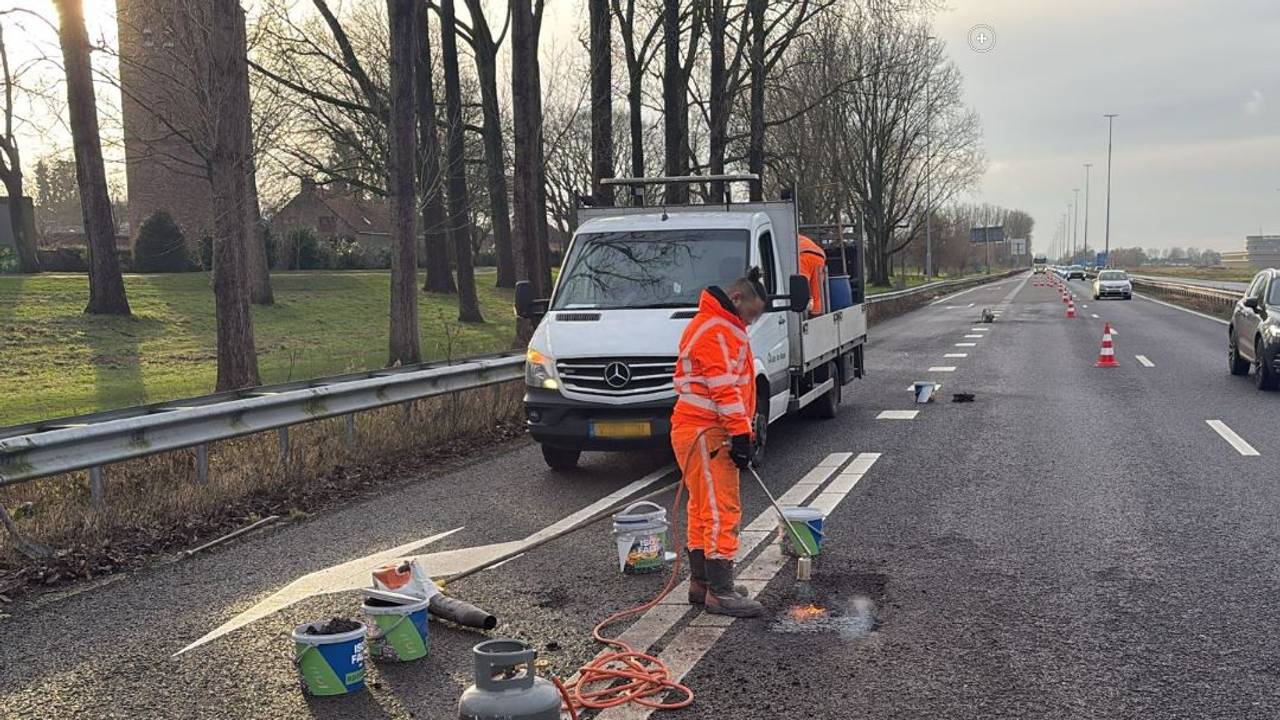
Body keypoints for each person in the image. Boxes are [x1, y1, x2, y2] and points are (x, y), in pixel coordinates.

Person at [670, 268, 768, 617]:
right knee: (721, 509)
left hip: (699, 430)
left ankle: (702, 583)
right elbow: (723, 387)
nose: (751, 322)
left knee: (702, 508)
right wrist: (741, 433)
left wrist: (742, 430)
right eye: (750, 315)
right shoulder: (717, 329)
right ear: (737, 299)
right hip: (706, 431)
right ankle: (720, 591)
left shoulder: (715, 324)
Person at [798, 234, 827, 315]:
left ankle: (803, 314)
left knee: (802, 287)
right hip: (820, 256)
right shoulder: (799, 237)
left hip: (804, 256)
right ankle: (816, 313)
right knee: (816, 290)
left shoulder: (784, 239)